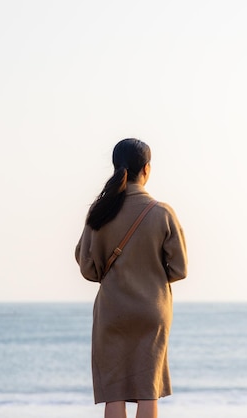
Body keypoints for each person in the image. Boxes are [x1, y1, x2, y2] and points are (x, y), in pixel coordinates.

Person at [75, 138, 188, 418]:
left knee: (114, 392)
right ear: (146, 169)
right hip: (152, 310)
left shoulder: (99, 211)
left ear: (116, 168)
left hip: (113, 311)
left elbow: (87, 267)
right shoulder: (162, 212)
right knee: (148, 391)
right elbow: (179, 269)